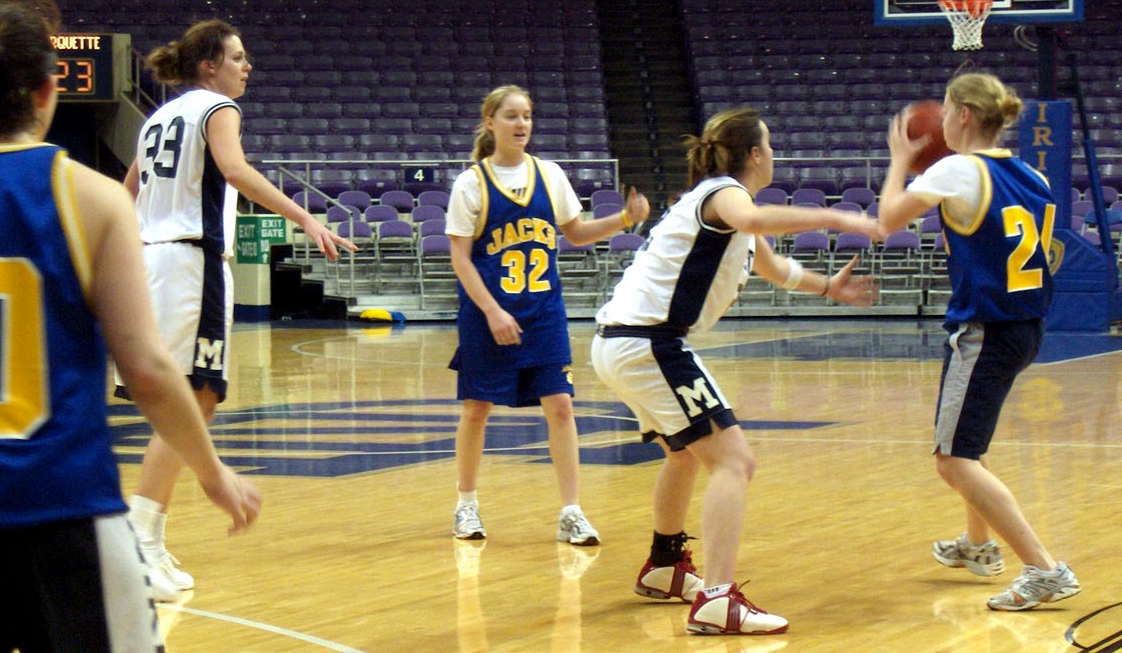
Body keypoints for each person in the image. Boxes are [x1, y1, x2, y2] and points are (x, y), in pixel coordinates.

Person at [0, 0, 261, 651]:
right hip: (61, 508)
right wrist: (214, 474)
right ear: (48, 92)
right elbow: (146, 367)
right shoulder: (93, 197)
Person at [590, 107, 881, 635]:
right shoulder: (725, 193)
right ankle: (718, 600)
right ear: (753, 155)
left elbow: (773, 267)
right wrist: (838, 217)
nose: (774, 154)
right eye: (769, 146)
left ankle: (664, 567)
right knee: (734, 461)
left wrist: (827, 287)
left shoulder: (723, 207)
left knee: (683, 456)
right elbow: (750, 219)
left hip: (626, 342)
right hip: (649, 343)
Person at [116, 19, 355, 600]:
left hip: (153, 263)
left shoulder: (156, 120)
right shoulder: (215, 110)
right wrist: (304, 216)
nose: (246, 67)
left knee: (186, 402)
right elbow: (236, 171)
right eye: (238, 57)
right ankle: (139, 541)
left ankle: (145, 536)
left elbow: (126, 194)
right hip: (193, 265)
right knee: (193, 401)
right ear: (209, 66)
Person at [878, 72, 1079, 611]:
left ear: (963, 115)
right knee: (971, 445)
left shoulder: (956, 169)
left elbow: (886, 221)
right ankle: (978, 546)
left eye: (946, 111)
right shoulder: (1031, 175)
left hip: (985, 331)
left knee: (952, 459)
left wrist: (900, 160)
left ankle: (1044, 568)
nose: (940, 120)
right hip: (1026, 327)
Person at [447, 84, 650, 545]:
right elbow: (460, 258)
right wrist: (493, 310)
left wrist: (624, 218)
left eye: (528, 116)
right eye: (512, 116)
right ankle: (466, 506)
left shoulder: (550, 174)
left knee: (560, 405)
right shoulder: (471, 183)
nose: (522, 125)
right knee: (477, 409)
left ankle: (572, 511)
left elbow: (575, 233)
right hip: (488, 314)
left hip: (543, 314)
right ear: (490, 123)